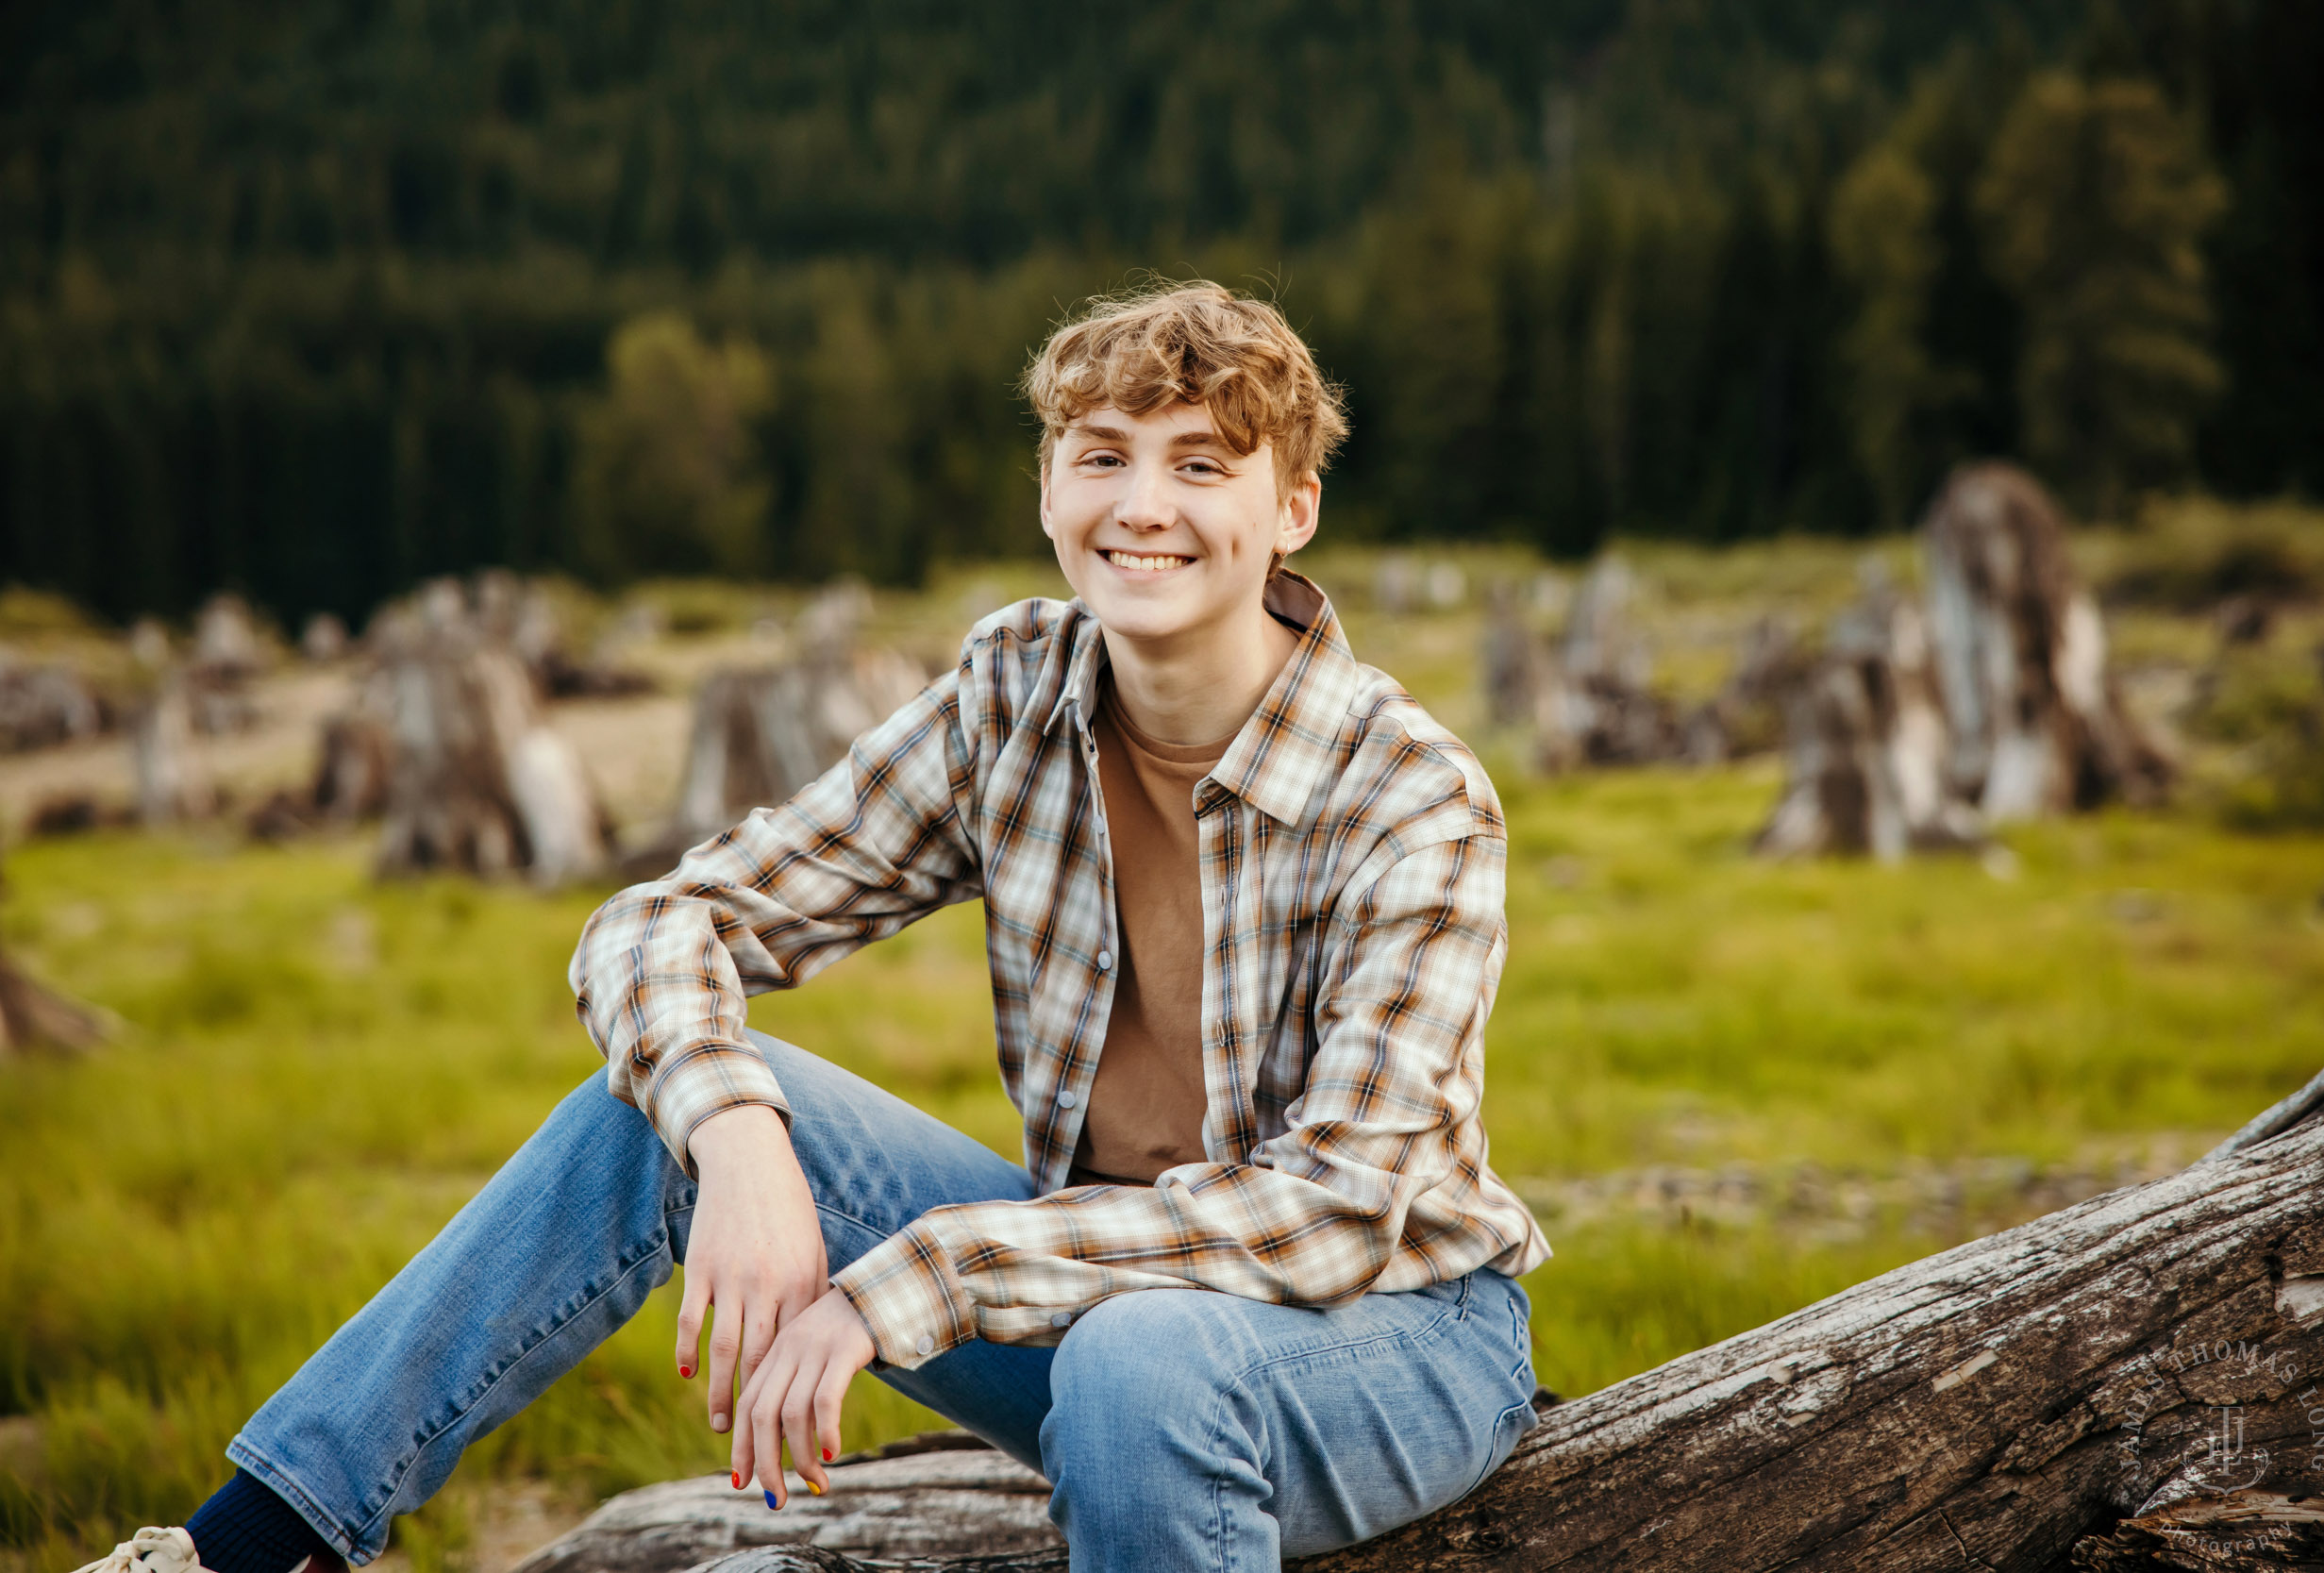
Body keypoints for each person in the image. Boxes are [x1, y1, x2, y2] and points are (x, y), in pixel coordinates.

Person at [79, 280, 1550, 1573]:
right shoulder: (1012, 697)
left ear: (1291, 506)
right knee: (645, 1121)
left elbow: (1341, 1205)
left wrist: (902, 1286)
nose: (1143, 506)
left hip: (1394, 1341)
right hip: (1086, 1315)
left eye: (1200, 465)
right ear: (1049, 487)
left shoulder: (1411, 795)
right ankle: (245, 1554)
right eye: (1102, 457)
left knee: (1143, 1363)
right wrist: (732, 1133)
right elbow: (664, 921)